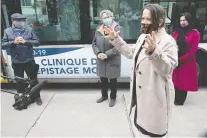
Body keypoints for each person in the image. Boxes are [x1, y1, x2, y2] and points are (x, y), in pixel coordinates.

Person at [104, 4, 178, 137]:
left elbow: (168, 70)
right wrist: (116, 39)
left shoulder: (169, 42)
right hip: (141, 100)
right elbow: (131, 53)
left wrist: (155, 52)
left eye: (148, 19)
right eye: (142, 18)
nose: (144, 22)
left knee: (153, 133)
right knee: (143, 130)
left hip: (155, 100)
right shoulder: (143, 37)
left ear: (160, 22)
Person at [1, 13, 42, 105]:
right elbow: (2, 46)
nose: (21, 22)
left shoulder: (29, 30)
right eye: (18, 20)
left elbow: (37, 42)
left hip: (29, 60)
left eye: (22, 20)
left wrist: (26, 41)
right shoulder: (7, 31)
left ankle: (37, 97)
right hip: (16, 61)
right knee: (19, 81)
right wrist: (13, 42)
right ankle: (21, 98)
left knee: (33, 80)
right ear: (13, 21)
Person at [92, 10, 123, 107]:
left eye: (108, 17)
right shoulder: (98, 29)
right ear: (101, 19)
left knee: (113, 80)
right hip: (101, 59)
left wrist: (107, 54)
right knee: (103, 79)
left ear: (112, 17)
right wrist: (98, 53)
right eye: (104, 18)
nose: (106, 19)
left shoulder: (118, 28)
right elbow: (94, 43)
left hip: (113, 59)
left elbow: (120, 46)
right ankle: (104, 96)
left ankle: (113, 97)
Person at [172, 12, 200, 106]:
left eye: (184, 20)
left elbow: (193, 50)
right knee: (175, 81)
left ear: (189, 21)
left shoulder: (195, 33)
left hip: (187, 62)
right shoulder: (176, 32)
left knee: (184, 82)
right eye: (181, 20)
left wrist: (181, 59)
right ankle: (176, 98)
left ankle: (180, 100)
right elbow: (171, 45)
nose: (182, 22)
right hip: (176, 61)